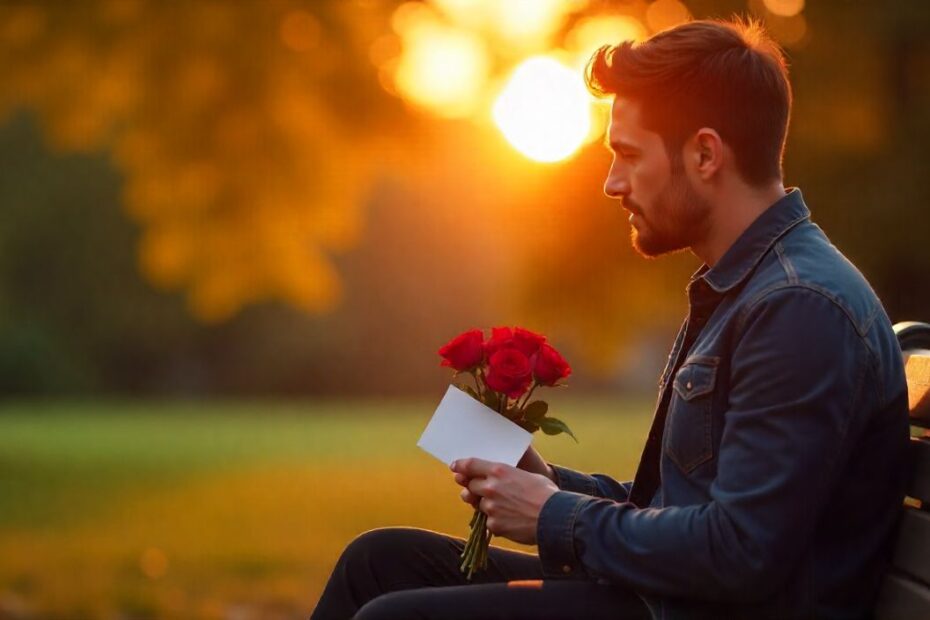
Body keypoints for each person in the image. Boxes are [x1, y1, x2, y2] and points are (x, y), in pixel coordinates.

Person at [309, 18, 910, 620]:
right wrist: (543, 483)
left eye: (627, 154)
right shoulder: (745, 289)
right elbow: (674, 512)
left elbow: (740, 552)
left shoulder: (798, 308)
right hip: (663, 598)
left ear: (705, 154)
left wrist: (548, 513)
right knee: (379, 562)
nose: (611, 182)